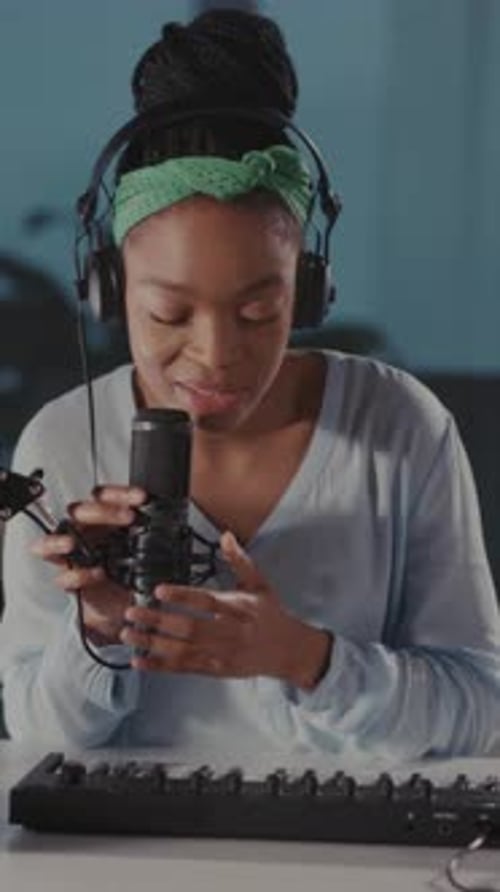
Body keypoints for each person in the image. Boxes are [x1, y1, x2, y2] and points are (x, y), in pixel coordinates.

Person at [1, 8, 499, 763]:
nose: (216, 355)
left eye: (258, 311)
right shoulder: (64, 441)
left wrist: (308, 659)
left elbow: (483, 709)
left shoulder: (399, 426)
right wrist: (97, 631)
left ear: (307, 292)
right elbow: (40, 739)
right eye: (169, 313)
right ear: (106, 290)